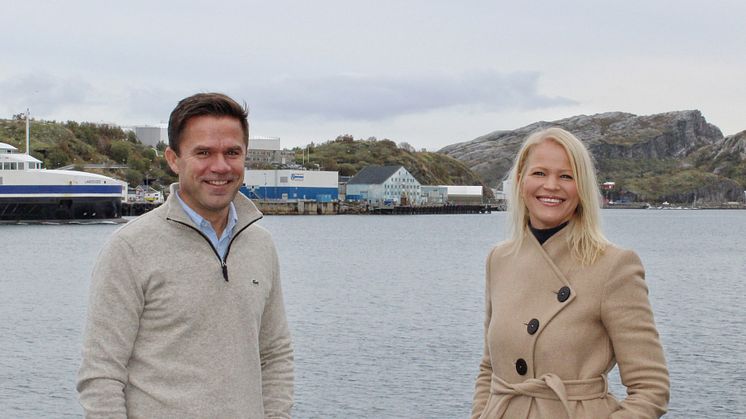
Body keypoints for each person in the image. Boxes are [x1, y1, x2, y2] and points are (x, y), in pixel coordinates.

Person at [77, 93, 294, 418]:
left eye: (232, 152)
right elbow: (101, 375)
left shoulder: (260, 245)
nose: (220, 166)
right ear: (174, 159)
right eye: (203, 152)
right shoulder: (130, 249)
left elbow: (275, 354)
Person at [472, 127, 669, 418]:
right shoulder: (499, 259)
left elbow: (651, 389)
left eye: (566, 176)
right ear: (519, 181)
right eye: (539, 173)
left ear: (583, 187)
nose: (551, 186)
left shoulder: (614, 265)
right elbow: (490, 367)